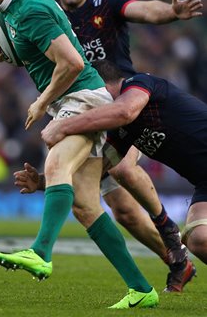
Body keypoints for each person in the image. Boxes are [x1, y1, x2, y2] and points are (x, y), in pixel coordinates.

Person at [0, 0, 201, 292]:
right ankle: (166, 268)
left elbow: (145, 9)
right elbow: (21, 43)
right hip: (87, 110)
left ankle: (171, 240)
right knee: (111, 209)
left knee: (119, 168)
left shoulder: (107, 4)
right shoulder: (42, 11)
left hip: (123, 106)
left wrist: (172, 12)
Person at [41, 59, 207, 265]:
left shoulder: (141, 84)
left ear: (101, 86)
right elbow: (95, 173)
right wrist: (46, 181)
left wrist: (64, 126)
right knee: (199, 240)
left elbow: (124, 111)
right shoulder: (121, 134)